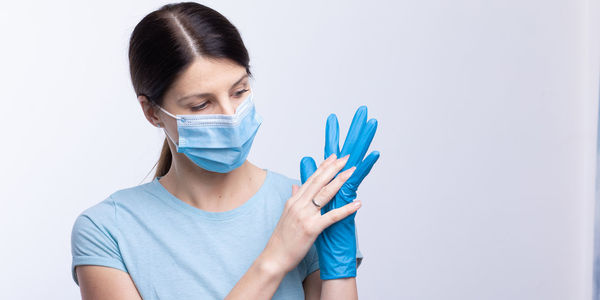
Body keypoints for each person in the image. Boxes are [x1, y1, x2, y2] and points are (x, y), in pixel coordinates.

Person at [70, 2, 377, 299]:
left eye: (239, 91)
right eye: (201, 104)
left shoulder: (303, 207)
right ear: (152, 112)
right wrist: (273, 259)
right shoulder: (108, 231)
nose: (231, 116)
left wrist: (339, 269)